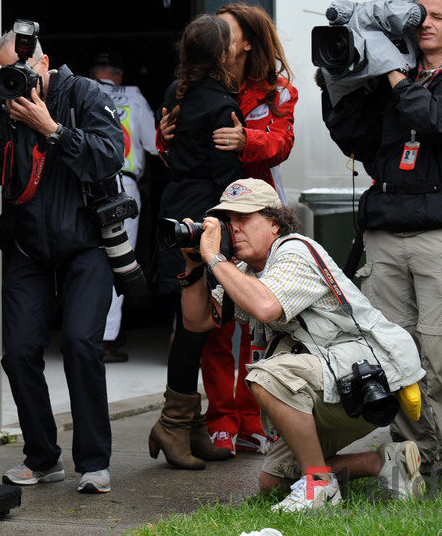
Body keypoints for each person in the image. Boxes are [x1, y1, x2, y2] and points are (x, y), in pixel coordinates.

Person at [322, 0, 442, 488]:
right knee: (397, 358)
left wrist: (390, 68)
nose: (425, 24)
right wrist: (343, 77)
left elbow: (437, 120)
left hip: (440, 235)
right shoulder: (392, 75)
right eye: (418, 16)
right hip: (385, 231)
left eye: (437, 16)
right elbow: (352, 135)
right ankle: (416, 462)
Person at [182, 178, 427, 512]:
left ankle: (320, 486)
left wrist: (213, 257)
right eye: (229, 221)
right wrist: (195, 265)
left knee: (266, 376)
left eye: (244, 218)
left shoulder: (294, 250)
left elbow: (266, 307)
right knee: (274, 481)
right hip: (334, 382)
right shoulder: (248, 272)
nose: (233, 228)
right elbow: (196, 322)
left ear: (274, 221)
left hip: (367, 383)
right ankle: (383, 462)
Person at [0, 28, 124, 494]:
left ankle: (94, 463)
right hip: (26, 247)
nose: (14, 78)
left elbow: (111, 154)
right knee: (18, 354)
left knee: (81, 343)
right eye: (3, 71)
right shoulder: (4, 106)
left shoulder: (84, 94)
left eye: (20, 68)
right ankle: (41, 458)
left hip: (86, 244)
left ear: (44, 63)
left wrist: (51, 129)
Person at [200, 4, 298, 456]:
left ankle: (251, 417)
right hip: (211, 211)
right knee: (217, 322)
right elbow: (177, 149)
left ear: (247, 42)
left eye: (227, 30)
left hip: (257, 218)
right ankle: (219, 418)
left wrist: (247, 141)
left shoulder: (278, 91)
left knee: (256, 324)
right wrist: (165, 137)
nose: (217, 36)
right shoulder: (197, 85)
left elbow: (281, 143)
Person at [148, 15, 243, 471]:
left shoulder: (175, 93)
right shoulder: (223, 105)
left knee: (191, 326)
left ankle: (190, 425)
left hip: (174, 207)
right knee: (193, 327)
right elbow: (226, 180)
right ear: (223, 54)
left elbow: (169, 149)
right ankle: (173, 424)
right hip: (204, 219)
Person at [89, 52, 159, 363]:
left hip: (86, 188)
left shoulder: (80, 91)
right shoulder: (133, 97)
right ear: (117, 75)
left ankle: (86, 333)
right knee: (121, 260)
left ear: (95, 73)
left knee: (89, 259)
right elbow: (154, 145)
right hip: (123, 187)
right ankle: (106, 339)